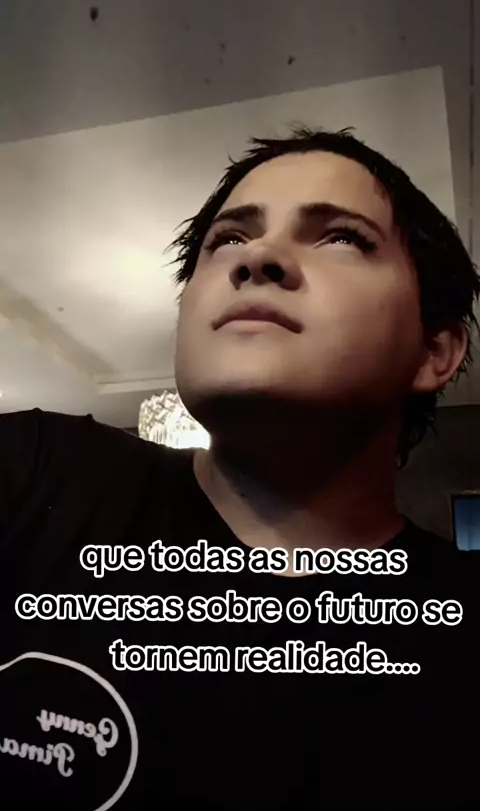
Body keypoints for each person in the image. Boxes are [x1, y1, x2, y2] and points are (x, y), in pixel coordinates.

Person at [0, 125, 479, 810]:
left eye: (342, 237)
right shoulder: (36, 469)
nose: (257, 257)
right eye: (227, 239)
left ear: (435, 350)